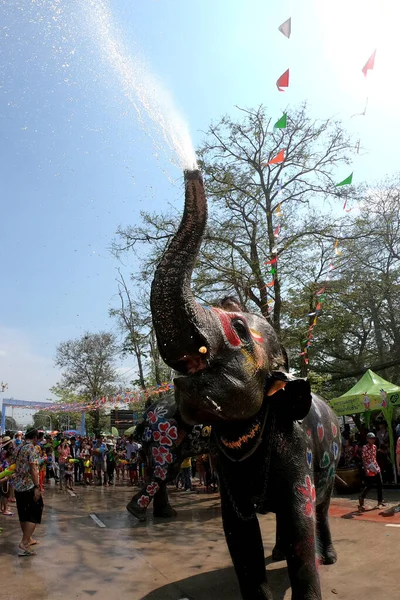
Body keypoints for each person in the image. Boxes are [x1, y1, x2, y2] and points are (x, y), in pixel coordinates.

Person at [13, 429, 43, 556]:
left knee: (23, 513)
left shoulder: (18, 447)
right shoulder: (32, 448)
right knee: (35, 511)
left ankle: (28, 538)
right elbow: (33, 468)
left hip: (18, 485)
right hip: (28, 485)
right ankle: (24, 542)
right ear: (35, 437)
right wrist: (37, 487)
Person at [358, 432, 386, 511]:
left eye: (373, 438)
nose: (372, 440)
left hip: (375, 466)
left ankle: (380, 501)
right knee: (369, 485)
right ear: (367, 439)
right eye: (371, 438)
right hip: (369, 467)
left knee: (380, 483)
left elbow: (374, 457)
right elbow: (363, 458)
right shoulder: (365, 447)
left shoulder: (374, 447)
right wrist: (366, 469)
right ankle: (361, 496)